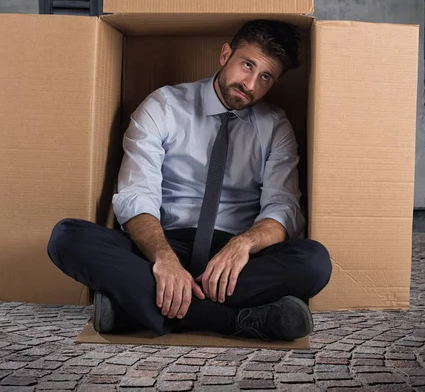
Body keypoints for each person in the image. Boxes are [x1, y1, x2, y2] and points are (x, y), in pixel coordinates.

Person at [47, 20, 332, 341]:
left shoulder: (274, 125)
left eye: (265, 77)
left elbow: (283, 209)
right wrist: (164, 260)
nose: (250, 84)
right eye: (247, 65)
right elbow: (135, 195)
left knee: (314, 262)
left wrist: (243, 244)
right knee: (67, 238)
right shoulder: (164, 106)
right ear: (226, 54)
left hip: (235, 263)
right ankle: (236, 320)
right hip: (161, 244)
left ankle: (133, 308)